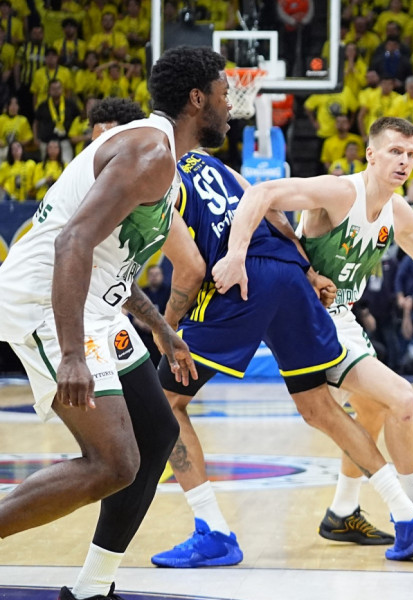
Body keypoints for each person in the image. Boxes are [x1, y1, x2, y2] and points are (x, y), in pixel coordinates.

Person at [212, 116, 413, 552]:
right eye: (395, 151)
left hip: (341, 314)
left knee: (373, 411)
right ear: (371, 154)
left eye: (412, 154)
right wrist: (236, 255)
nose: (404, 161)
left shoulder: (399, 212)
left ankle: (342, 512)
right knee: (400, 398)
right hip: (309, 314)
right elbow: (262, 193)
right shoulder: (341, 192)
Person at [0, 45, 232, 600]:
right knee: (114, 462)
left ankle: (91, 588)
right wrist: (73, 352)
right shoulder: (148, 151)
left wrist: (160, 325)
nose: (231, 105)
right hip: (47, 304)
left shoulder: (163, 160)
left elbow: (110, 261)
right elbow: (72, 242)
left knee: (157, 436)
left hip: (97, 307)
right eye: (224, 94)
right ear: (197, 99)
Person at [151, 158, 413, 563]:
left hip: (241, 282)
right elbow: (272, 212)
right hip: (290, 273)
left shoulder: (152, 172)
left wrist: (165, 327)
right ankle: (407, 515)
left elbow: (192, 268)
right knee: (319, 408)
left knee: (165, 403)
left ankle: (213, 530)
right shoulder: (214, 164)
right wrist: (307, 273)